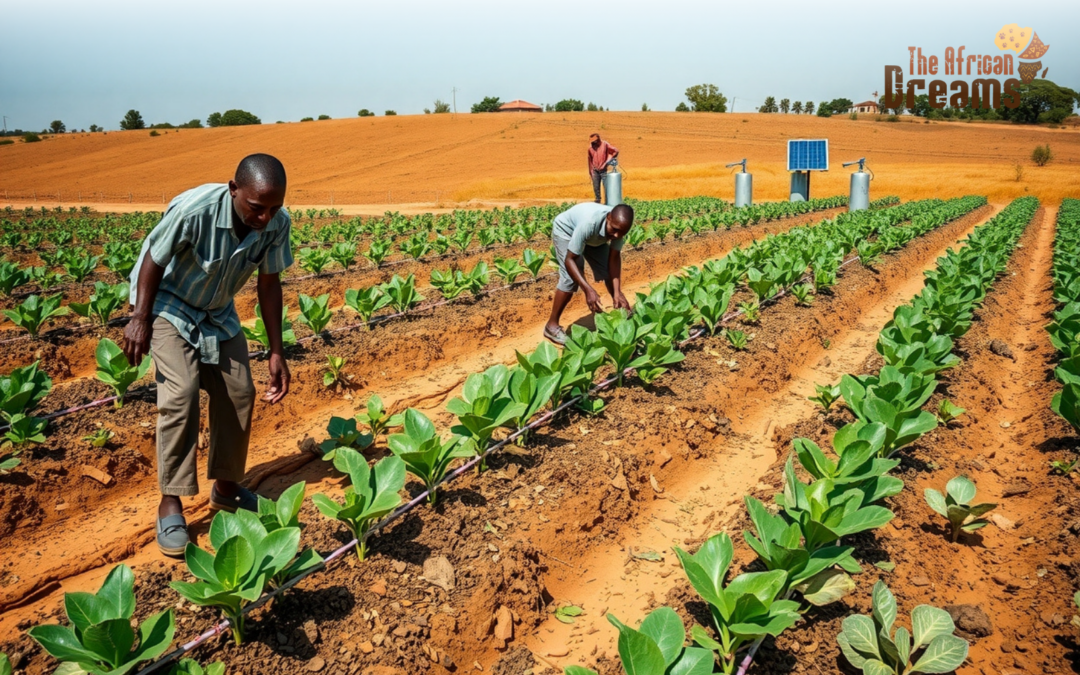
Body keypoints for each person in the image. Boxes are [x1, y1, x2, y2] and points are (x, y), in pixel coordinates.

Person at [125, 154, 294, 557]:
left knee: (239, 392)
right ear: (234, 189)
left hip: (216, 310)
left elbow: (269, 285)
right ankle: (171, 502)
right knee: (180, 394)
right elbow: (154, 258)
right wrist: (139, 318)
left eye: (274, 208)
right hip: (167, 302)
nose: (265, 217)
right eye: (257, 207)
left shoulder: (277, 223)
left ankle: (227, 487)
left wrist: (276, 350)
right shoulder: (194, 210)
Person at [543, 202, 635, 345]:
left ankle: (619, 309)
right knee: (570, 279)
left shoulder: (619, 227)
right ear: (608, 218)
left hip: (594, 237)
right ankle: (551, 326)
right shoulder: (589, 223)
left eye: (622, 233)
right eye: (615, 230)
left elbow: (614, 259)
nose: (617, 235)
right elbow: (570, 260)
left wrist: (618, 292)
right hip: (567, 230)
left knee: (607, 269)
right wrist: (588, 289)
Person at [588, 133, 619, 203]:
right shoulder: (590, 148)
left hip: (603, 170)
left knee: (607, 186)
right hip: (595, 170)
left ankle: (608, 202)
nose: (593, 143)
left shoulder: (605, 144)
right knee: (596, 187)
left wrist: (607, 162)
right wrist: (591, 172)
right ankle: (597, 201)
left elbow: (616, 151)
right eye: (592, 141)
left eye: (595, 141)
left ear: (598, 139)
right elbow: (590, 161)